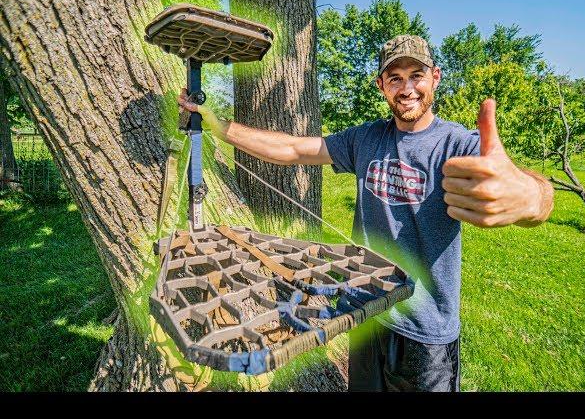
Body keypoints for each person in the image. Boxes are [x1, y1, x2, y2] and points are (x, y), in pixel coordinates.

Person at [178, 34, 554, 392]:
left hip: (425, 328)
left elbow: (531, 191)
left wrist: (530, 196)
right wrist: (217, 124)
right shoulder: (365, 138)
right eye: (395, 78)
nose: (406, 88)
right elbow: (294, 149)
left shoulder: (455, 143)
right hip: (365, 312)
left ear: (435, 78)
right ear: (381, 85)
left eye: (416, 76)